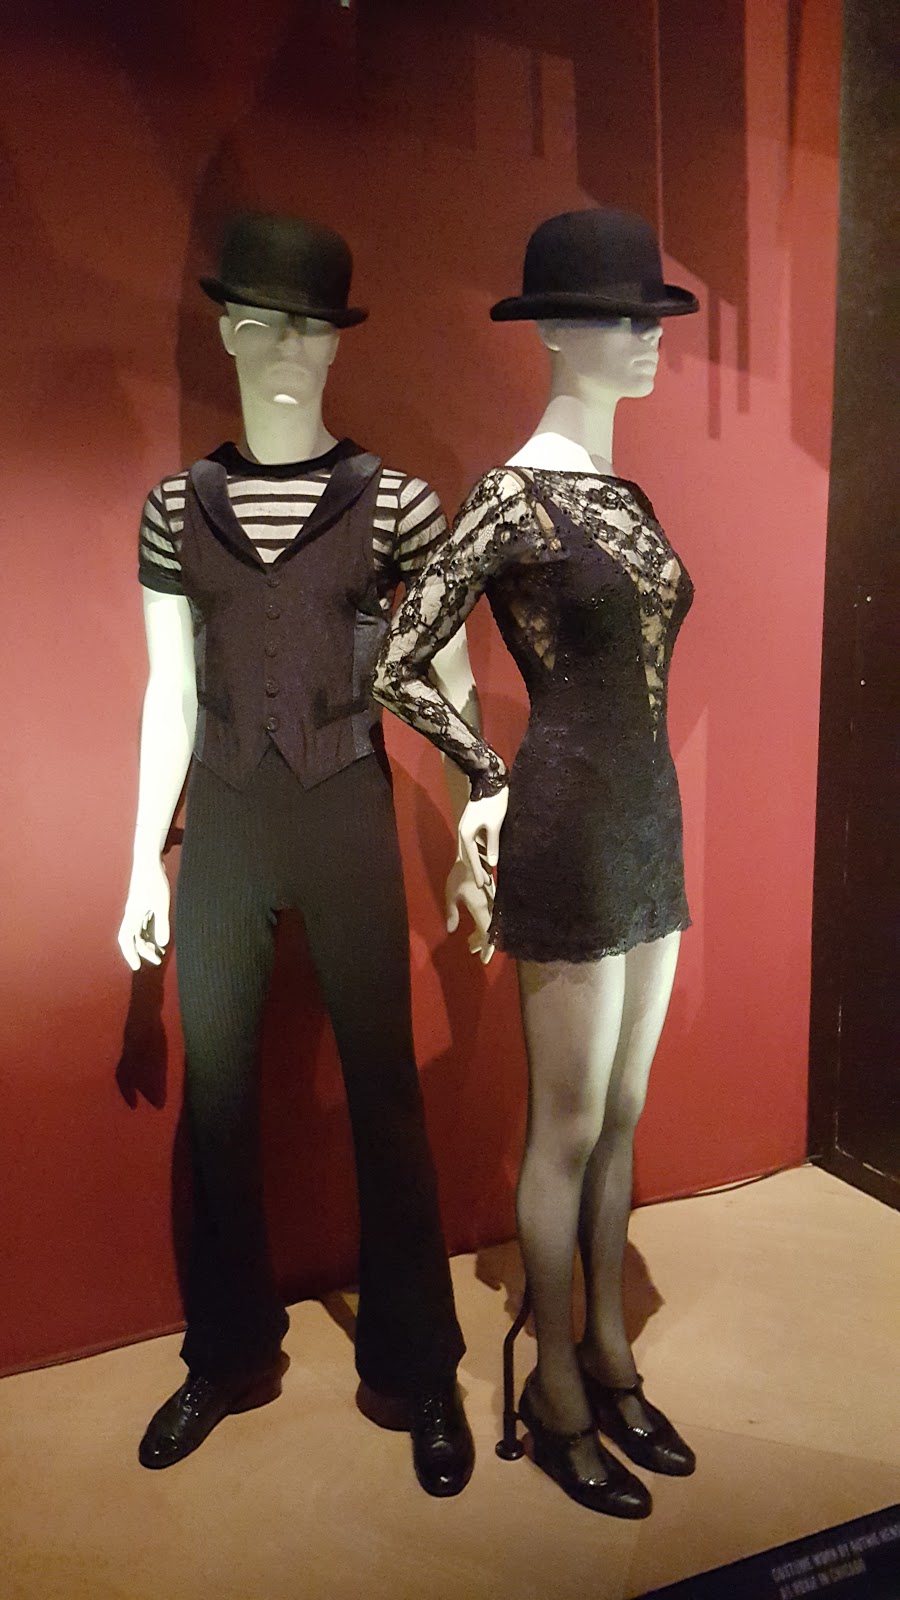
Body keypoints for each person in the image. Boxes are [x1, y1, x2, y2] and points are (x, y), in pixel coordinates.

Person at [118, 212, 483, 1495]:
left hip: (344, 809)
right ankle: (223, 1350)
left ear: (339, 342)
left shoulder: (400, 504)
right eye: (264, 324)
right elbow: (168, 695)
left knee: (385, 1093)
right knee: (217, 1097)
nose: (289, 350)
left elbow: (447, 676)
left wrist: (477, 815)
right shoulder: (175, 507)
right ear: (227, 332)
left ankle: (420, 1363)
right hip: (223, 816)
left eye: (313, 328)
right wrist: (138, 862)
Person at [375, 209, 700, 1515]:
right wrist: (488, 776)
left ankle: (611, 1353)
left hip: (650, 817)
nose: (650, 340)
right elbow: (402, 660)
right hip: (566, 822)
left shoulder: (627, 495)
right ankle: (556, 1388)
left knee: (623, 1112)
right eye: (628, 319)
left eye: (652, 318)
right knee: (566, 1123)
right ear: (562, 332)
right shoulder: (511, 497)